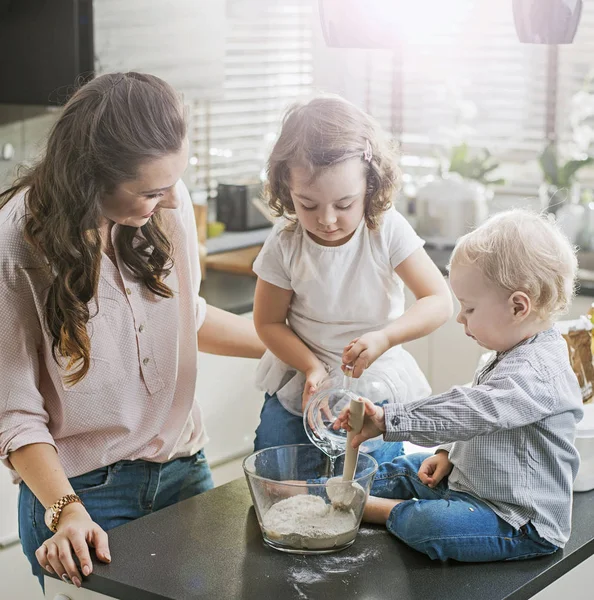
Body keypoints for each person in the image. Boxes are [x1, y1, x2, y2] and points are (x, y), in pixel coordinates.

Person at [0, 72, 264, 589]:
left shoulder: (166, 203)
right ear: (90, 181)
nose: (170, 201)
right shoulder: (15, 245)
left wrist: (300, 348)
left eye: (173, 183)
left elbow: (184, 318)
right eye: (151, 191)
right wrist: (67, 512)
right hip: (83, 499)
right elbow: (13, 412)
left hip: (184, 467)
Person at [335, 209, 583, 562]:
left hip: (515, 520)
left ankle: (378, 510)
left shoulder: (538, 370)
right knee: (406, 467)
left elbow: (474, 410)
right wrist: (447, 452)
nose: (459, 317)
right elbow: (479, 410)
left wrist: (391, 420)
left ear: (517, 306)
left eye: (468, 308)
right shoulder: (513, 350)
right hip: (473, 484)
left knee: (431, 526)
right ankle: (344, 491)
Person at [252, 96, 453, 462]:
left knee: (374, 483)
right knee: (278, 470)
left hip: (376, 386)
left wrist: (385, 337)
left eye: (344, 204)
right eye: (308, 204)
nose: (327, 219)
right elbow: (267, 321)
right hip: (304, 382)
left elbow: (439, 300)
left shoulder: (385, 228)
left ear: (371, 185)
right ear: (286, 188)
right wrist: (311, 366)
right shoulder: (285, 241)